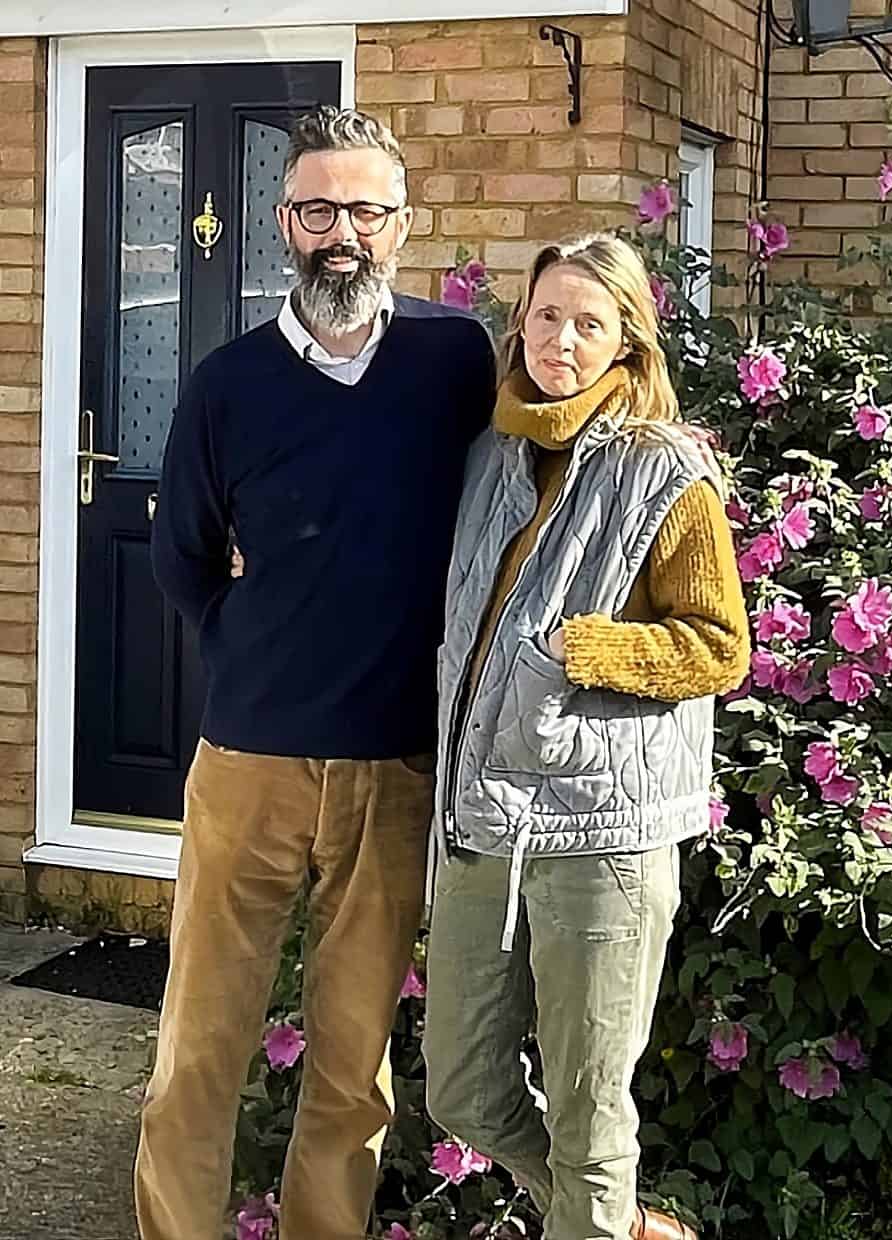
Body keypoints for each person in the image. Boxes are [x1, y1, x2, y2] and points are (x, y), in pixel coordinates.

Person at [135, 106, 495, 1240]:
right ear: (284, 221)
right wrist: (254, 651)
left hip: (393, 766)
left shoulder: (455, 361)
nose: (344, 233)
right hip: (249, 762)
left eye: (366, 211)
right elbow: (183, 558)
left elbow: (521, 486)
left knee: (352, 1066)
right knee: (199, 1049)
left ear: (403, 223)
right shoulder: (227, 383)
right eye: (319, 209)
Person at [423, 234, 751, 1240]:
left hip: (602, 838)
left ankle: (598, 1218)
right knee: (463, 1091)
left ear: (627, 345)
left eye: (588, 323)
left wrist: (593, 647)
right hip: (486, 820)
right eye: (547, 314)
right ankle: (617, 1225)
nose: (560, 340)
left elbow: (719, 647)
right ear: (520, 322)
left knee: (590, 1113)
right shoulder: (492, 454)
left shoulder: (664, 473)